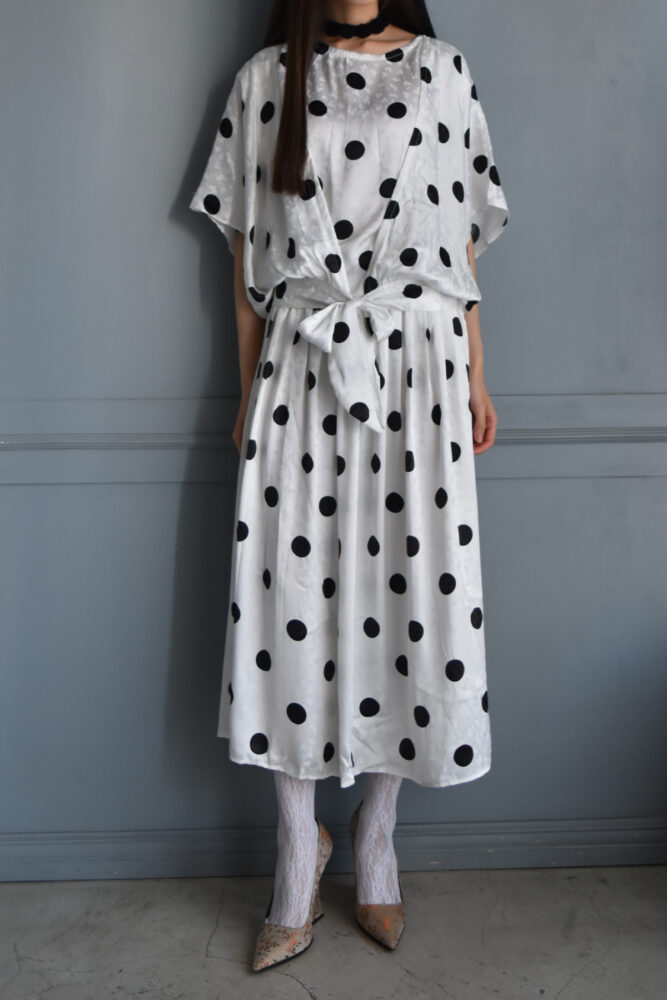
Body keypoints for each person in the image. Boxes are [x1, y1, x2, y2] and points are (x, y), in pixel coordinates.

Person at [189, 0, 510, 972]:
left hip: (420, 373)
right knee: (286, 607)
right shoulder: (265, 80)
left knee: (410, 598)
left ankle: (376, 835)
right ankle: (297, 849)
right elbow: (244, 255)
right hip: (302, 365)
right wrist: (246, 391)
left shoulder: (444, 70)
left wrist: (476, 376)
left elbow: (459, 241)